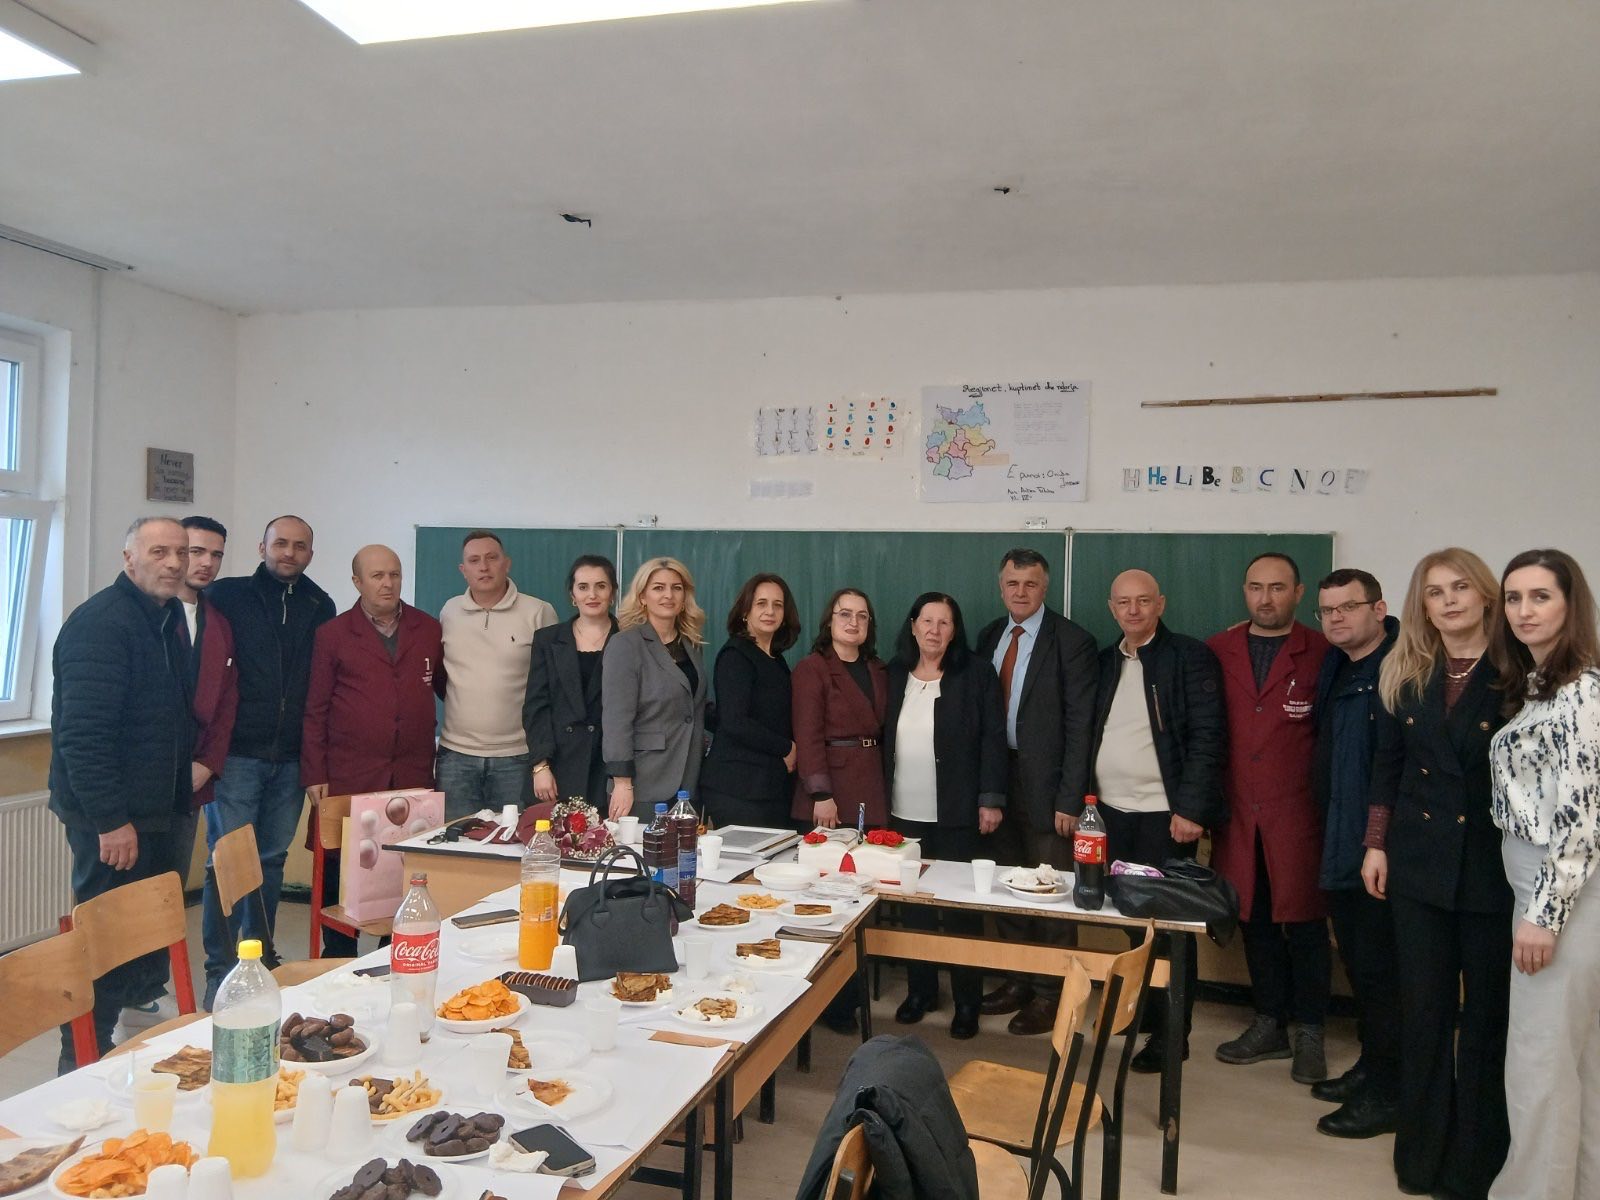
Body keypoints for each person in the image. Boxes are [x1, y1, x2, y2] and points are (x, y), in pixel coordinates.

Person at [1364, 548, 1510, 1200]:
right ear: (1421, 606)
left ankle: (1476, 1161)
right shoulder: (1406, 672)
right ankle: (1420, 1157)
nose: (1448, 601)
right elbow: (1387, 766)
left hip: (1491, 868)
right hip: (1417, 865)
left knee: (1485, 1022)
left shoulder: (1517, 675)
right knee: (1423, 1015)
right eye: (1434, 592)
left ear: (1485, 597)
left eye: (1460, 588)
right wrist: (1375, 844)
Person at [48, 517, 194, 1069]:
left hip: (155, 815)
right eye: (159, 552)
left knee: (140, 946)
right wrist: (110, 820)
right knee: (103, 949)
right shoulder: (102, 625)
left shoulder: (164, 617)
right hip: (111, 823)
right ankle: (79, 1060)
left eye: (180, 552)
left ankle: (124, 1053)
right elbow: (83, 737)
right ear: (128, 557)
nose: (174, 563)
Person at [1488, 549, 1600, 1200]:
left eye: (1541, 596)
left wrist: (1544, 914)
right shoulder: (1542, 686)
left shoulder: (1581, 691)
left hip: (1558, 890)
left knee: (1540, 1063)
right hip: (1545, 885)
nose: (1524, 611)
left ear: (1570, 604)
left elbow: (1581, 816)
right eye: (1513, 598)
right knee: (1575, 1067)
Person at [1087, 568, 1226, 1071]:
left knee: (1170, 929)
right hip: (1111, 815)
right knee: (1131, 921)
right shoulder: (1105, 662)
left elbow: (1208, 737)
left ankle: (1173, 1036)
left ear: (1160, 604)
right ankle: (1147, 1010)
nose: (1133, 610)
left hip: (1165, 819)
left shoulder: (1189, 657)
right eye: (1123, 602)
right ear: (1111, 608)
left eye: (1143, 601)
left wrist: (1191, 809)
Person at [1209, 552, 1332, 1083]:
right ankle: (1268, 1023)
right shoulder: (1218, 650)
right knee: (1253, 919)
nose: (1266, 598)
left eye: (1278, 588)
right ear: (1244, 591)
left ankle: (1311, 1031)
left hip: (1299, 813)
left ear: (1299, 593)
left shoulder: (1324, 652)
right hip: (1237, 812)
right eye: (1256, 587)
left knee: (1304, 923)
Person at [202, 514, 335, 1007]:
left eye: (300, 546)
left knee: (271, 861)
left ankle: (259, 956)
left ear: (310, 554)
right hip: (237, 755)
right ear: (262, 547)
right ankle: (219, 969)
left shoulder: (320, 605)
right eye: (281, 543)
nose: (289, 553)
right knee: (227, 863)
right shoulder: (227, 597)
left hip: (291, 758)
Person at [116, 516, 239, 1038]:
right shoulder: (143, 619)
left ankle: (147, 990)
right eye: (192, 551)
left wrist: (207, 763)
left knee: (166, 891)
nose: (201, 563)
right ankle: (121, 1004)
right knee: (127, 899)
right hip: (140, 787)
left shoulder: (217, 622)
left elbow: (226, 701)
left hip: (189, 782)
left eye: (214, 554)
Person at [973, 548, 1099, 1036]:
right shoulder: (989, 636)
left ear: (1045, 588)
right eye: (1012, 583)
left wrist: (1071, 799)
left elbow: (1081, 727)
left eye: (1030, 584)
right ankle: (1018, 981)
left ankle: (1051, 993)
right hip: (997, 782)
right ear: (1000, 586)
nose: (1020, 592)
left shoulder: (1073, 641)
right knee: (1009, 885)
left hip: (1050, 790)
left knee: (1051, 892)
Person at [302, 545, 445, 956]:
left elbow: (446, 687)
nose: (388, 583)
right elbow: (315, 708)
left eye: (394, 575)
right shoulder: (332, 634)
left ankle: (391, 951)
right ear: (357, 582)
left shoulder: (427, 628)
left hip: (411, 774)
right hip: (350, 773)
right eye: (378, 575)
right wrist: (315, 773)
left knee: (404, 866)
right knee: (342, 865)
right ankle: (337, 956)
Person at [882, 592, 1007, 1040]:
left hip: (957, 812)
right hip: (903, 814)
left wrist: (990, 798)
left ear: (955, 631)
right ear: (913, 625)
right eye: (927, 621)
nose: (934, 630)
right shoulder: (893, 673)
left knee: (960, 911)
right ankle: (921, 992)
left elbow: (993, 738)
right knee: (913, 908)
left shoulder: (976, 673)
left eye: (945, 622)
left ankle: (967, 1001)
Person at [1309, 568, 1400, 1139]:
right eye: (1328, 610)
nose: (1336, 618)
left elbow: (1393, 766)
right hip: (1340, 840)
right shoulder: (1336, 665)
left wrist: (1376, 841)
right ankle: (1372, 1067)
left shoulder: (1400, 668)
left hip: (1378, 852)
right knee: (1363, 968)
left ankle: (1390, 1093)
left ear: (1378, 609)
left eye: (1348, 607)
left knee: (1386, 974)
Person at [436, 530, 558, 819]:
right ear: (463, 570)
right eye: (474, 560)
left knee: (514, 841)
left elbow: (554, 687)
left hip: (518, 757)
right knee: (454, 840)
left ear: (507, 563)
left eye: (492, 558)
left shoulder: (539, 612)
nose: (484, 566)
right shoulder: (449, 612)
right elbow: (441, 676)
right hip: (456, 758)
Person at [601, 557, 709, 820]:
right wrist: (622, 782)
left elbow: (691, 708)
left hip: (688, 779)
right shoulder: (625, 644)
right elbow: (617, 719)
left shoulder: (691, 645)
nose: (668, 595)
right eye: (659, 588)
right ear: (642, 597)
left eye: (676, 588)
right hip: (643, 782)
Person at [700, 573, 801, 828]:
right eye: (761, 603)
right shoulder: (736, 655)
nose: (770, 611)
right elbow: (735, 721)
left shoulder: (775, 659)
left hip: (768, 785)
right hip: (737, 787)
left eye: (778, 605)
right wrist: (787, 748)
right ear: (745, 611)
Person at [523, 555, 619, 809]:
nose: (592, 595)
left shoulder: (628, 640)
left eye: (601, 586)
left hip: (607, 769)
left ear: (612, 593)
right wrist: (540, 765)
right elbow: (536, 707)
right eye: (583, 587)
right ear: (572, 595)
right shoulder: (547, 640)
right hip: (556, 767)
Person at [790, 588, 889, 831]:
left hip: (873, 789)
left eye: (862, 616)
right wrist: (821, 794)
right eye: (845, 614)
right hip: (830, 795)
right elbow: (808, 736)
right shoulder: (812, 668)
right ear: (829, 621)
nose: (854, 622)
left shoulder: (879, 669)